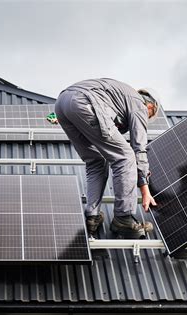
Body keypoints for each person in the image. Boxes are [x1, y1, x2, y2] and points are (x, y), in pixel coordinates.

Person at [54, 78, 158, 239]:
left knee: (95, 160)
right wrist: (145, 188)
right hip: (85, 102)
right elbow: (139, 147)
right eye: (148, 116)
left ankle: (92, 216)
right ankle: (123, 218)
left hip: (61, 104)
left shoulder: (119, 95)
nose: (145, 118)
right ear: (150, 106)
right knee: (125, 157)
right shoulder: (139, 104)